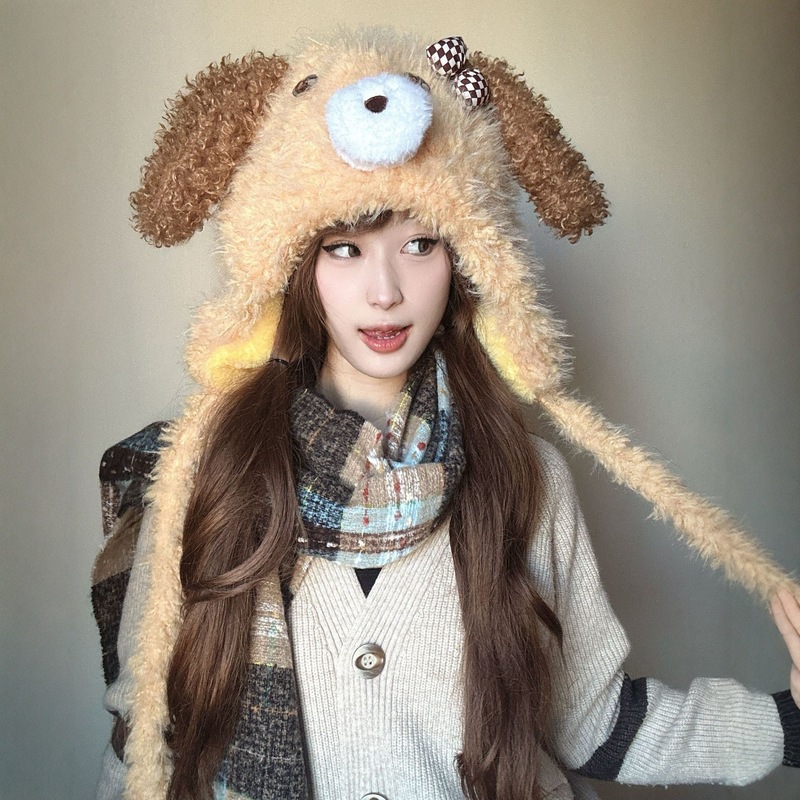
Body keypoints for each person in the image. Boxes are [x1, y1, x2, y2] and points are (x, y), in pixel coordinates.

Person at [92, 29, 800, 800]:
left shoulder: (525, 476)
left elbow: (594, 722)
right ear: (292, 263)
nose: (386, 292)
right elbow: (146, 744)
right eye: (344, 247)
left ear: (466, 259)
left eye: (421, 243)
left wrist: (788, 724)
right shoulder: (206, 472)